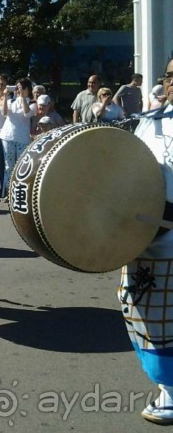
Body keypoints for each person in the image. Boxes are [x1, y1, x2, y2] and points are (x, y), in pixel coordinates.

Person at [118, 56, 173, 425]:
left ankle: (170, 391)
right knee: (135, 304)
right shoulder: (149, 124)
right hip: (144, 235)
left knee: (164, 316)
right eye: (169, 76)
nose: (172, 82)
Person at [0, 78, 36, 195]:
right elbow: (4, 113)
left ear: (27, 89)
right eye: (17, 87)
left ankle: (20, 192)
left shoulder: (32, 103)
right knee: (8, 166)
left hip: (22, 138)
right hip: (8, 136)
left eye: (20, 87)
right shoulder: (11, 101)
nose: (18, 90)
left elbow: (27, 113)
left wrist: (24, 97)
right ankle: (9, 193)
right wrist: (5, 97)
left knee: (21, 166)